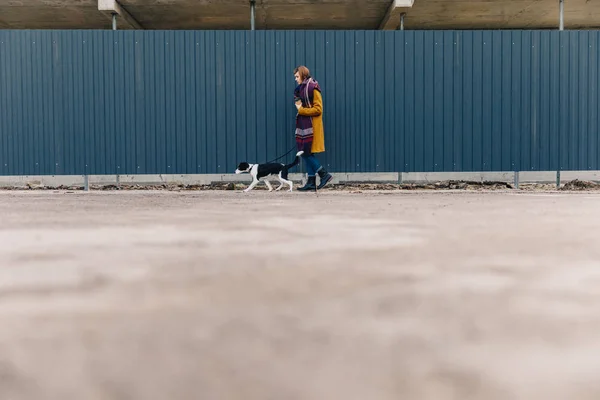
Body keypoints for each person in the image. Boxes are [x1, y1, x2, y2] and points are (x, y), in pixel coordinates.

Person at [293, 65, 332, 191]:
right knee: (306, 152)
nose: (296, 79)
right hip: (305, 125)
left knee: (305, 152)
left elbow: (318, 109)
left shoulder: (313, 87)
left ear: (303, 75)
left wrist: (301, 110)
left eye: (297, 76)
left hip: (313, 126)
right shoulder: (301, 89)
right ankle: (311, 182)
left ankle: (323, 174)